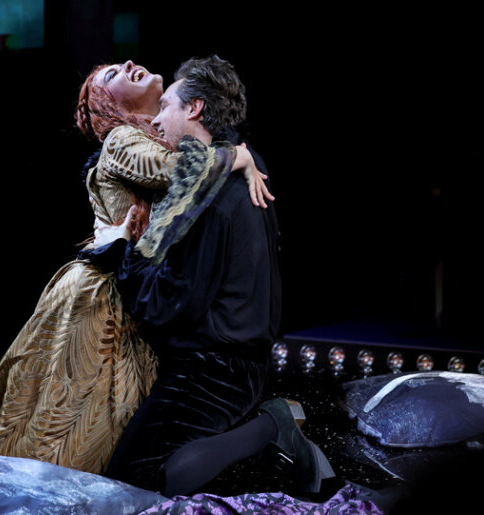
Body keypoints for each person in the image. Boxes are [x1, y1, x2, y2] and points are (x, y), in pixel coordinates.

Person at [0, 59, 271, 475]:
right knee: (49, 418)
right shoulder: (122, 140)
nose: (129, 64)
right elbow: (178, 173)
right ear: (110, 106)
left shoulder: (174, 142)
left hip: (136, 301)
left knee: (92, 422)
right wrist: (238, 156)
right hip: (101, 298)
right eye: (112, 74)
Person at [84, 55, 333, 496]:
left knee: (134, 480)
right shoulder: (244, 165)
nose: (156, 121)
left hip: (214, 369)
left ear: (194, 108)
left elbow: (169, 303)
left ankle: (273, 427)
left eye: (165, 107)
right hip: (235, 360)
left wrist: (119, 249)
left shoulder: (210, 197)